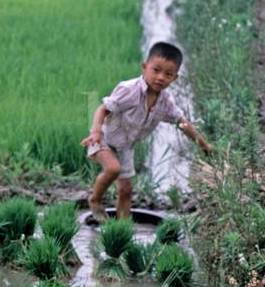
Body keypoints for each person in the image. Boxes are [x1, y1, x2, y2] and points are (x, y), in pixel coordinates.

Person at [81, 42, 214, 221]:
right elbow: (102, 109)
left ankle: (123, 227)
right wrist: (96, 132)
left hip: (125, 147)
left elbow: (181, 122)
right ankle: (94, 199)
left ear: (175, 78)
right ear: (145, 67)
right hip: (103, 138)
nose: (160, 77)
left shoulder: (165, 101)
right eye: (156, 70)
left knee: (126, 190)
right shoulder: (129, 90)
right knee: (113, 168)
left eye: (168, 74)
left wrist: (203, 145)